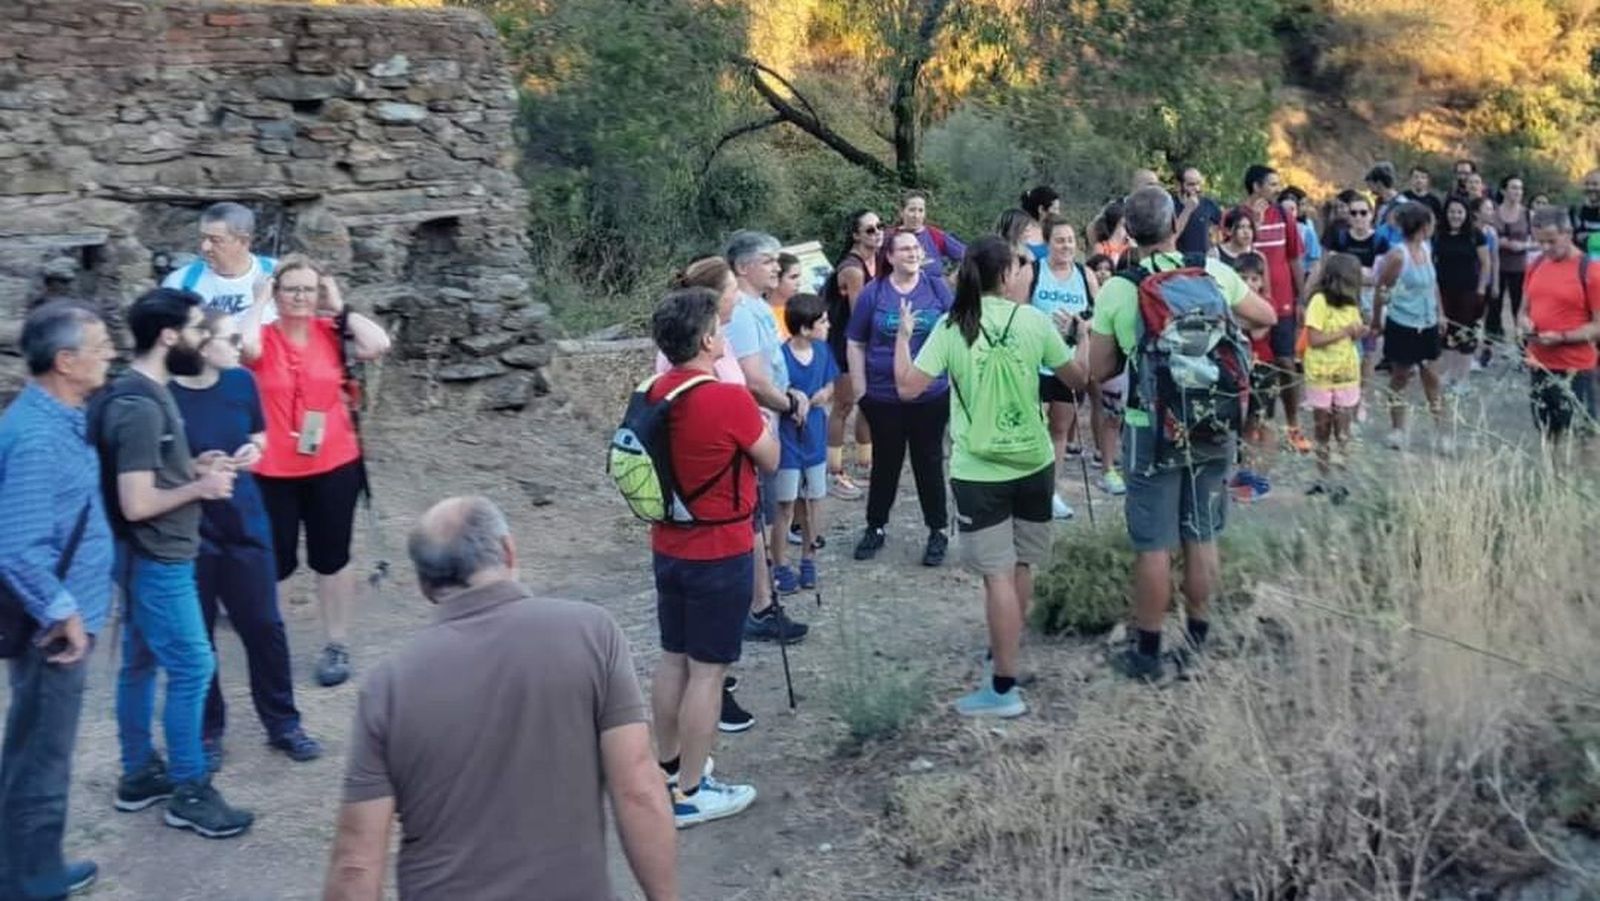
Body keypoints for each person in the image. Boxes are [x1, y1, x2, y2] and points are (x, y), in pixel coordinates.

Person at [323, 497, 678, 900]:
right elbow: (638, 790)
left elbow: (356, 864)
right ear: (508, 551)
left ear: (425, 586)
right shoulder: (591, 633)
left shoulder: (387, 687)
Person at [1079, 187, 1276, 680]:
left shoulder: (1120, 289)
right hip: (1212, 418)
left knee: (1154, 544)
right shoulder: (1211, 270)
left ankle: (1147, 654)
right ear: (1174, 227)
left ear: (1128, 232)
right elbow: (1267, 317)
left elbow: (1099, 370)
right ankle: (1197, 642)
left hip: (1151, 428)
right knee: (1202, 533)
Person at [89, 288, 254, 838]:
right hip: (158, 559)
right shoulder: (138, 405)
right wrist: (202, 487)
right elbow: (135, 502)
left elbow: (149, 475)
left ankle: (138, 775)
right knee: (192, 667)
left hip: (147, 559)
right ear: (168, 337)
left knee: (138, 663)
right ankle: (189, 788)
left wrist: (193, 467)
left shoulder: (147, 392)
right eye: (194, 329)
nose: (203, 338)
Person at [894, 235, 1075, 717]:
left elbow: (908, 388)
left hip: (979, 471)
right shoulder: (1034, 322)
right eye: (1018, 265)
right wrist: (1084, 331)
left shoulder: (954, 327)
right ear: (1004, 275)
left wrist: (902, 337)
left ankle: (1002, 686)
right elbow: (1076, 379)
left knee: (995, 575)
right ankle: (1005, 653)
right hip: (1036, 463)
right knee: (1020, 567)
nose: (1023, 272)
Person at [645, 288, 778, 827]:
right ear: (705, 340)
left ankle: (668, 770)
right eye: (719, 330)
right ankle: (692, 793)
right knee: (709, 672)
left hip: (668, 544)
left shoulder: (653, 390)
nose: (724, 336)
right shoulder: (726, 398)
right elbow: (768, 459)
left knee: (673, 657)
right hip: (720, 548)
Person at [171, 311, 322, 769]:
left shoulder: (240, 382)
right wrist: (194, 468)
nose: (239, 346)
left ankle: (283, 723)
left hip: (245, 518)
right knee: (199, 634)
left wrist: (254, 451)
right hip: (191, 526)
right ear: (201, 344)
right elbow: (151, 463)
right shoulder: (165, 394)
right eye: (229, 338)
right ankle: (209, 729)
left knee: (264, 625)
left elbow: (259, 436)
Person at [0, 302, 115, 900]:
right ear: (66, 362)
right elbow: (18, 547)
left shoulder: (61, 417)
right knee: (42, 758)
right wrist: (64, 611)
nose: (111, 355)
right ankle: (30, 883)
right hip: (55, 632)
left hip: (64, 617)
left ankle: (23, 866)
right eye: (99, 347)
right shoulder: (39, 437)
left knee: (34, 747)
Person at [238, 256, 391, 689]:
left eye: (309, 289)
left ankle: (335, 643)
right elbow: (244, 348)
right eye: (292, 289)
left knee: (332, 557)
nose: (301, 297)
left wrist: (338, 303)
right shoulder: (263, 337)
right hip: (273, 469)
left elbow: (378, 344)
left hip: (334, 464)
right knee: (277, 562)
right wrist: (261, 299)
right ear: (278, 294)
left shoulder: (333, 333)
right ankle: (275, 645)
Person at [847, 228, 954, 565]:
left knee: (929, 462)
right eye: (904, 249)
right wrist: (860, 389)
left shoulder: (936, 287)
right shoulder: (873, 293)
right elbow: (855, 341)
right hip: (883, 395)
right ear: (889, 256)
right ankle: (875, 527)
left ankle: (937, 530)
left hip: (931, 393)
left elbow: (957, 329)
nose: (911, 254)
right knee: (886, 464)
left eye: (915, 249)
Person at [724, 230, 811, 644]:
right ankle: (758, 606)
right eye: (768, 259)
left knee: (764, 515)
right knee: (756, 518)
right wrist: (790, 404)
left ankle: (758, 601)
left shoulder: (756, 306)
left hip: (768, 421)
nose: (777, 266)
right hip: (756, 426)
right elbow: (754, 381)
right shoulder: (740, 311)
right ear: (743, 267)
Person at [1029, 214, 1099, 519]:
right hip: (1033, 363)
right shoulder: (1031, 271)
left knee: (1059, 429)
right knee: (1031, 429)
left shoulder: (1086, 275)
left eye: (1070, 240)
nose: (1066, 245)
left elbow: (1100, 316)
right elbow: (1014, 313)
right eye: (1059, 240)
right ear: (1048, 243)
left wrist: (1079, 325)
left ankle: (1049, 493)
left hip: (1069, 362)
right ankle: (1025, 489)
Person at [769, 292, 837, 596]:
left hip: (816, 438)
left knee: (815, 500)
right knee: (785, 505)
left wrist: (824, 393)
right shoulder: (779, 356)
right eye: (823, 321)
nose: (829, 325)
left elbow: (830, 384)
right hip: (787, 441)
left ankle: (809, 557)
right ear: (805, 328)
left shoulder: (823, 351)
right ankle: (780, 564)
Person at [1520, 206, 1600, 453]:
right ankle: (1553, 483)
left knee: (1583, 437)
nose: (1544, 248)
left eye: (1551, 241)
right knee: (1547, 433)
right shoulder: (1535, 266)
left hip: (1576, 369)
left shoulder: (1590, 271)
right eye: (1539, 241)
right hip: (1540, 365)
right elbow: (1523, 310)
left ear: (1568, 233)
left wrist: (1563, 337)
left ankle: (1583, 485)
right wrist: (1526, 324)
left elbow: (1598, 326)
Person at [1243, 164, 1308, 452]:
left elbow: (1295, 260)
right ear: (1256, 187)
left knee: (1285, 363)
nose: (1277, 188)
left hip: (1281, 306)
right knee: (1254, 367)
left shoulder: (1284, 215)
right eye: (1272, 184)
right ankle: (1254, 427)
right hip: (1246, 307)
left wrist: (1302, 299)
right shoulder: (1238, 219)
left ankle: (1293, 426)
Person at [1373, 203, 1449, 452]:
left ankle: (1441, 432)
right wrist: (1376, 320)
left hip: (1427, 322)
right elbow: (1381, 288)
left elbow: (1433, 284)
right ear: (1423, 226)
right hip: (1403, 323)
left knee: (1433, 378)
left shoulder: (1427, 249)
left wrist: (1441, 313)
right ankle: (1397, 429)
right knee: (1400, 376)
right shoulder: (1397, 255)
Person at [825, 210, 883, 502]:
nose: (877, 233)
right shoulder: (853, 269)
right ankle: (834, 471)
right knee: (844, 405)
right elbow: (861, 313)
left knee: (867, 401)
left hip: (861, 342)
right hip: (845, 342)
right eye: (870, 229)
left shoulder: (876, 260)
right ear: (856, 235)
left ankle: (865, 462)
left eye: (880, 227)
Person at [1302, 253, 1367, 499]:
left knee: (1343, 430)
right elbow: (1314, 339)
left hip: (1346, 373)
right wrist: (1345, 331)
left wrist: (1359, 332)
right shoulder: (1319, 302)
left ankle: (1341, 481)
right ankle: (1322, 477)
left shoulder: (1352, 304)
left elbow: (1352, 334)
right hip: (1321, 374)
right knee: (1322, 428)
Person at [1326, 191, 1392, 415]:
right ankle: (1342, 393)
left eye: (1363, 213)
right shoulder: (1341, 238)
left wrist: (1356, 274)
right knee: (1342, 347)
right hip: (1343, 298)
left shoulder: (1380, 240)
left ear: (1371, 215)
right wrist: (1361, 274)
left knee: (1368, 351)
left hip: (1369, 300)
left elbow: (1379, 276)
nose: (1358, 217)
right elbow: (1332, 268)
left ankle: (1361, 396)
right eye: (1353, 213)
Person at [161, 202, 277, 319]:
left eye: (215, 240)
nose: (205, 247)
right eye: (202, 238)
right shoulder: (180, 283)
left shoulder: (276, 273)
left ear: (244, 242)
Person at [1227, 252, 1277, 502]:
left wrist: (1237, 318)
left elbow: (1258, 332)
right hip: (1241, 368)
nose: (1249, 283)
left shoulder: (1266, 302)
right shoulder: (1234, 303)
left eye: (1254, 278)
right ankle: (1246, 472)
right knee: (1246, 423)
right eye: (1242, 278)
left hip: (1263, 367)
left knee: (1263, 422)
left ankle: (1262, 479)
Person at [1431, 195, 1492, 390]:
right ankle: (1450, 373)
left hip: (1469, 291)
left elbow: (1486, 263)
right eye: (1451, 211)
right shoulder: (1438, 234)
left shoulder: (1476, 235)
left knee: (1466, 335)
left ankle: (1463, 379)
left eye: (1459, 212)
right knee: (1447, 333)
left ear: (1466, 214)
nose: (1455, 216)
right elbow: (1433, 262)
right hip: (1444, 290)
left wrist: (1481, 289)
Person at [1486, 175, 1533, 366]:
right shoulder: (1494, 213)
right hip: (1496, 267)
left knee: (1519, 311)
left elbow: (1538, 239)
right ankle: (1487, 352)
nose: (1517, 192)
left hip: (1520, 268)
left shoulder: (1528, 214)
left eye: (1520, 189)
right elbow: (1487, 234)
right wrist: (1501, 242)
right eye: (1513, 188)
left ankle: (1524, 353)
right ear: (1504, 190)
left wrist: (1522, 245)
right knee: (1493, 311)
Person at [896, 190, 965, 278]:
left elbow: (968, 255)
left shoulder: (935, 236)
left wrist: (953, 278)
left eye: (921, 210)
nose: (916, 215)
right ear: (901, 212)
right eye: (912, 210)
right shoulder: (889, 237)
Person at [1174, 166, 1223, 256]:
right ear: (1178, 185)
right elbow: (1170, 238)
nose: (1197, 189)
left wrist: (1215, 246)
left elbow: (1223, 228)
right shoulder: (1169, 206)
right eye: (1191, 185)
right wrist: (1187, 209)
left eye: (1198, 184)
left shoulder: (1208, 204)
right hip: (1180, 263)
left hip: (1204, 262)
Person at [1279, 186, 1323, 285]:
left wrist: (1305, 290)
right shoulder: (1273, 231)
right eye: (1284, 210)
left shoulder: (1306, 231)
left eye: (1292, 209)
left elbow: (1315, 264)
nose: (1288, 213)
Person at [766, 252, 802, 340]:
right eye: (793, 277)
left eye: (798, 277)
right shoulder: (763, 313)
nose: (799, 283)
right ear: (775, 278)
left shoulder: (803, 308)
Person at [1216, 207, 1257, 271]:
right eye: (1241, 227)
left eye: (1249, 227)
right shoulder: (1216, 254)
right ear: (1228, 231)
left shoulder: (1256, 255)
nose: (1246, 232)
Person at [1570, 169, 1600, 257]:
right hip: (1582, 265)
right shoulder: (1576, 210)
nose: (1590, 187)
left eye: (1595, 184)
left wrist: (1589, 236)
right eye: (1587, 184)